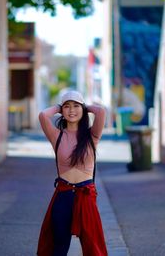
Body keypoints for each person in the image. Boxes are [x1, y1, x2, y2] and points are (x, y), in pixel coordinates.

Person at [37, 90, 108, 256]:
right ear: (62, 111)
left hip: (86, 195)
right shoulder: (57, 136)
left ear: (82, 109)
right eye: (67, 107)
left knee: (93, 247)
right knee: (58, 247)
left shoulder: (92, 136)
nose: (71, 110)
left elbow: (101, 111)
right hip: (64, 194)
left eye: (76, 106)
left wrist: (85, 106)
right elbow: (42, 115)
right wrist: (59, 106)